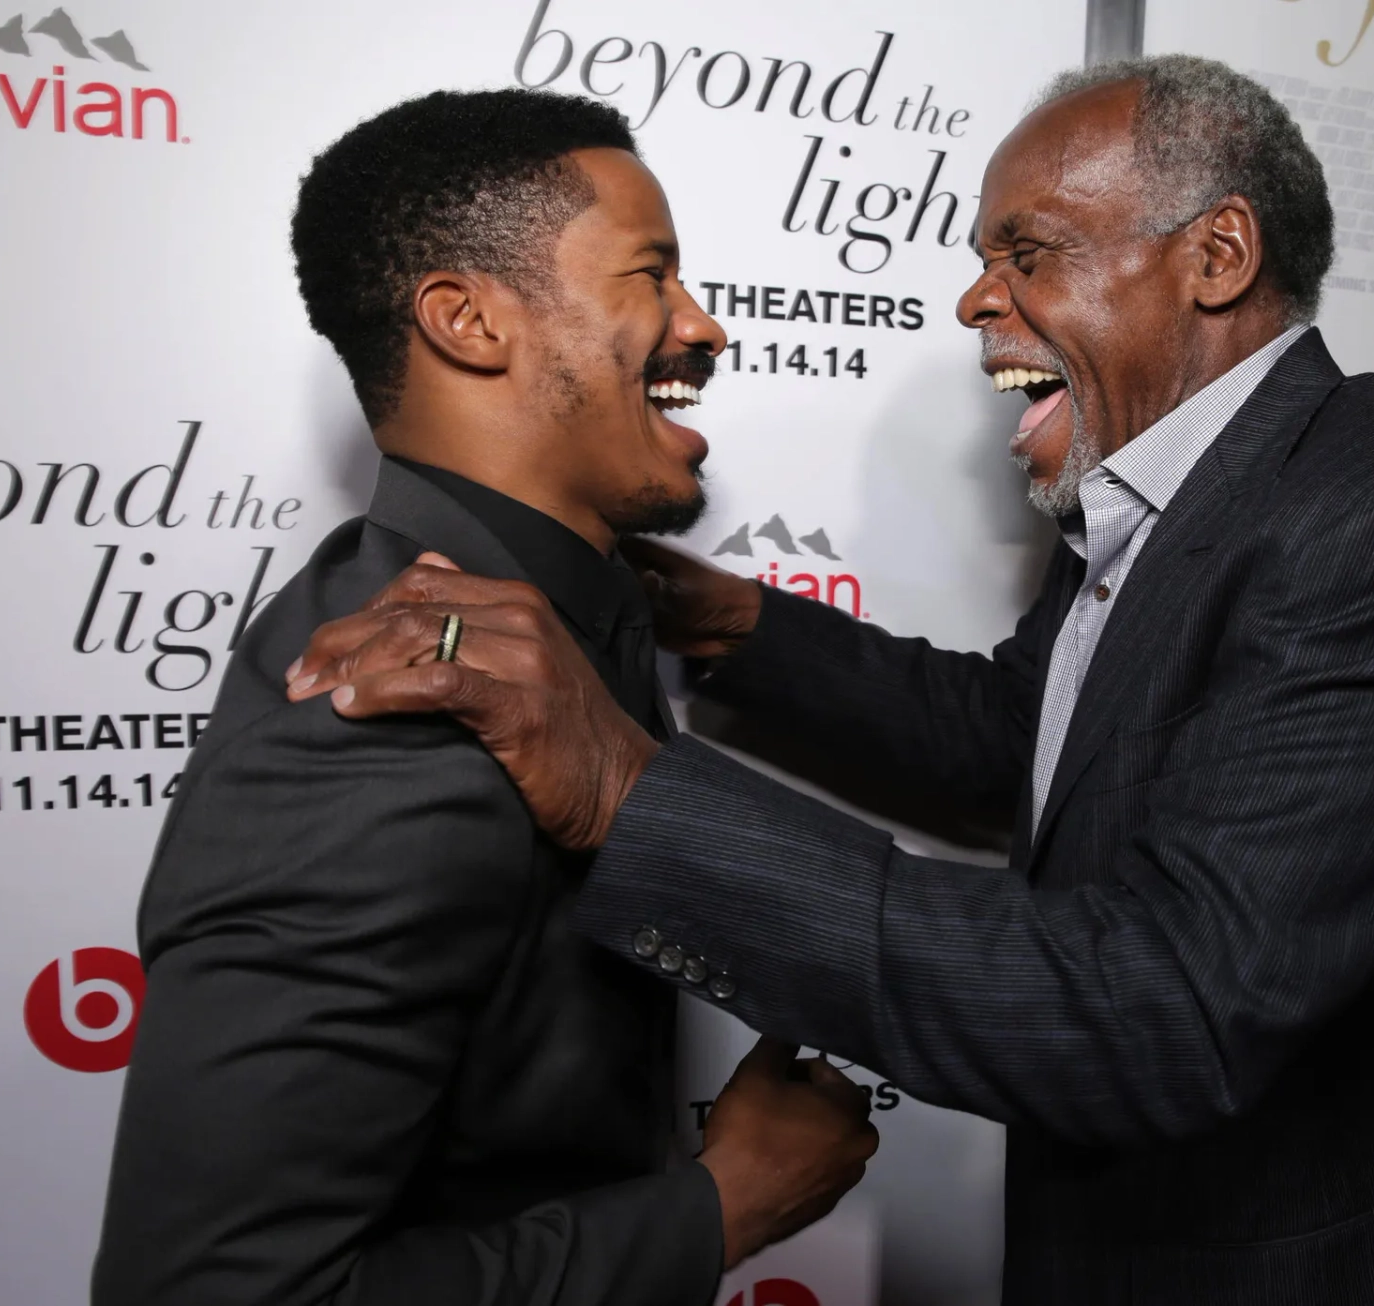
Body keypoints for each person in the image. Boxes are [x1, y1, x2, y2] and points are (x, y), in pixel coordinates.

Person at [288, 58, 1374, 1303]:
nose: (974, 301)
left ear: (1215, 258)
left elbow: (1166, 1005)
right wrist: (733, 620)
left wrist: (630, 790)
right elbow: (1027, 740)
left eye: (1028, 254)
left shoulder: (1365, 522)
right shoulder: (1160, 486)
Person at [91, 90, 876, 1306]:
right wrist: (715, 1211)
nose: (705, 326)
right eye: (652, 277)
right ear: (468, 321)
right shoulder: (395, 708)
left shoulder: (559, 618)